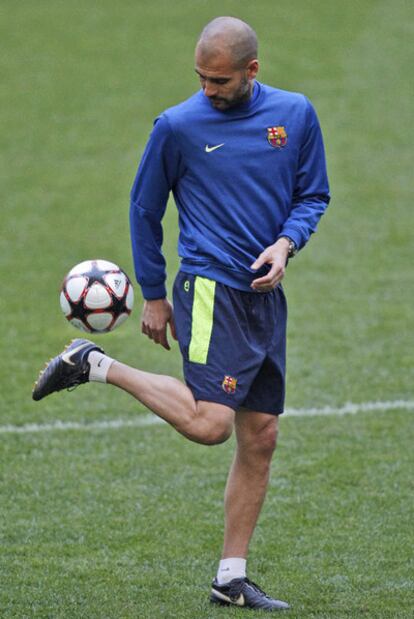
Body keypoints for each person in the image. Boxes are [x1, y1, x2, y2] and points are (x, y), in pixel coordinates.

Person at [33, 16, 330, 612]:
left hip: (266, 298)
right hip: (210, 290)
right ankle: (93, 363)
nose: (208, 90)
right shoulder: (177, 125)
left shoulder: (295, 115)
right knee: (211, 424)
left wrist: (287, 243)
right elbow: (145, 208)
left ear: (253, 70)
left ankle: (230, 577)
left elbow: (313, 193)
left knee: (262, 436)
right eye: (200, 78)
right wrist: (153, 293)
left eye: (219, 80)